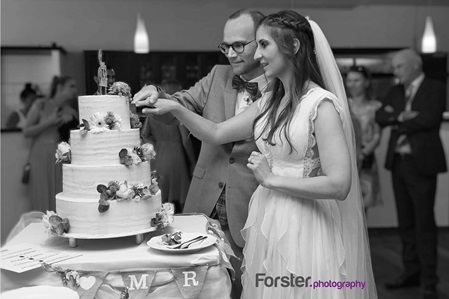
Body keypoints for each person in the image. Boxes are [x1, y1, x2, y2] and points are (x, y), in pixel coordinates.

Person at [134, 10, 377, 299]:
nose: (256, 56)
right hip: (266, 217)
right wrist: (171, 105)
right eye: (256, 45)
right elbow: (215, 131)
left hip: (302, 219)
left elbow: (340, 184)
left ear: (294, 47)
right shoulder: (271, 100)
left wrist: (271, 179)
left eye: (262, 45)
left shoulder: (320, 105)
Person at [133, 9, 266, 298]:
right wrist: (158, 93)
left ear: (262, 42)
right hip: (203, 202)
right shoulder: (218, 75)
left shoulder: (280, 87)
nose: (230, 54)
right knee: (199, 287)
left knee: (247, 287)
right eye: (225, 46)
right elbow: (180, 105)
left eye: (239, 45)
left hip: (252, 205)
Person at [376, 48, 446, 299]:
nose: (395, 72)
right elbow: (381, 116)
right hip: (399, 162)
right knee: (405, 222)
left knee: (423, 223)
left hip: (422, 163)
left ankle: (429, 278)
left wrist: (397, 119)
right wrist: (402, 117)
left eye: (399, 67)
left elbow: (428, 119)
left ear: (414, 65)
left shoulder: (435, 87)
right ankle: (410, 272)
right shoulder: (395, 91)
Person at [141, 80, 198, 213]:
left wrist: (155, 146)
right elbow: (185, 140)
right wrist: (192, 162)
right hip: (176, 156)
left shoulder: (152, 114)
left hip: (158, 156)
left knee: (159, 194)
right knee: (182, 194)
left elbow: (144, 135)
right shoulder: (176, 113)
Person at [23, 76, 78, 212]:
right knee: (41, 191)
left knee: (59, 191)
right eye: (71, 86)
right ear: (59, 88)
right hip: (40, 154)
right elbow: (26, 131)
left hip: (60, 156)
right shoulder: (40, 105)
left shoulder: (71, 112)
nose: (75, 90)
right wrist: (49, 122)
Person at [345, 65, 382, 212]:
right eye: (349, 80)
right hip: (345, 157)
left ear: (366, 82)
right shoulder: (342, 103)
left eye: (357, 80)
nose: (352, 84)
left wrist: (363, 153)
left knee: (362, 204)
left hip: (365, 158)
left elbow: (377, 135)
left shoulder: (375, 106)